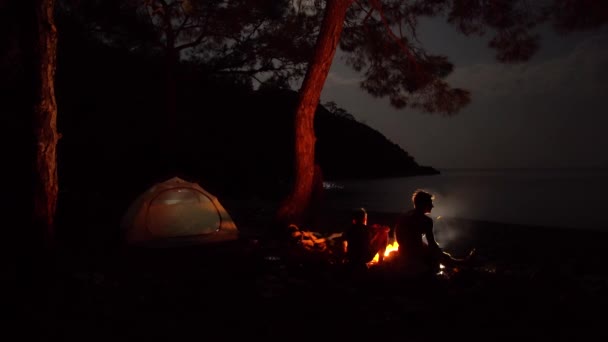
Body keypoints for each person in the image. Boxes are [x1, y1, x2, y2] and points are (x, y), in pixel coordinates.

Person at [394, 190, 471, 275]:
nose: (432, 206)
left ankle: (459, 263)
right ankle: (461, 264)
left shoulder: (405, 216)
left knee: (436, 252)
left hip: (404, 250)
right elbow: (431, 243)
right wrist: (438, 252)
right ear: (424, 204)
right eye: (430, 203)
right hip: (414, 255)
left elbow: (400, 237)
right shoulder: (426, 221)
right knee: (437, 254)